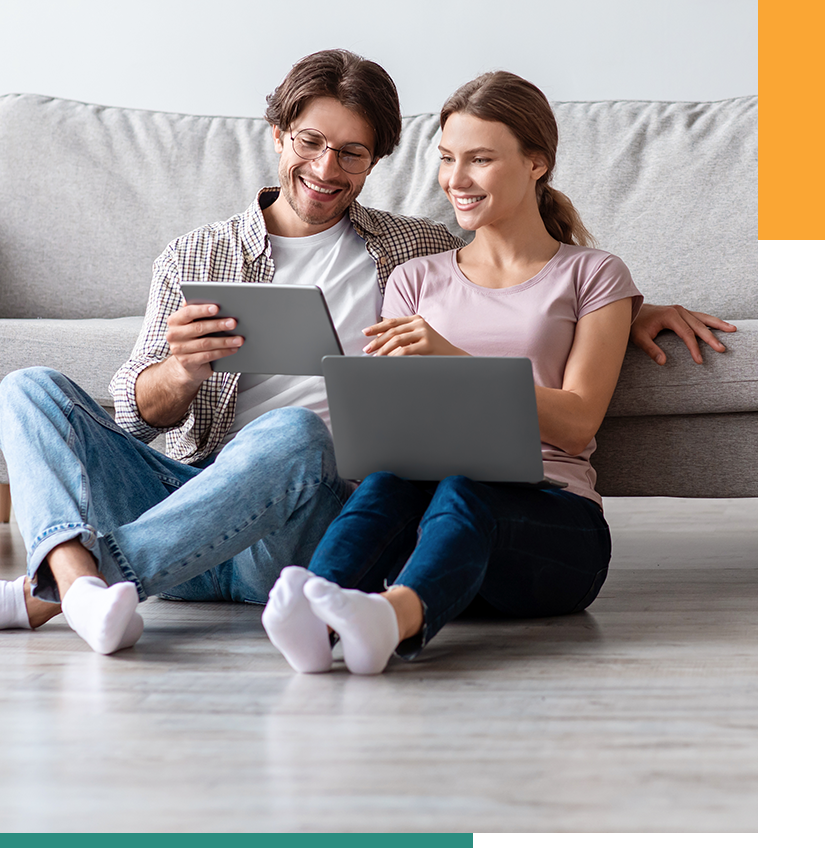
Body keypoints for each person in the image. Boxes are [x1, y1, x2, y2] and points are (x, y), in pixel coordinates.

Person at [0, 52, 734, 657]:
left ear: (375, 162)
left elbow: (522, 271)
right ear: (278, 134)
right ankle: (82, 586)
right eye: (311, 142)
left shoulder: (410, 251)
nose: (327, 167)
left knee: (293, 434)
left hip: (296, 519)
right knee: (28, 389)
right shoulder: (197, 257)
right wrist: (177, 375)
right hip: (192, 491)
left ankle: (47, 593)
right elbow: (128, 420)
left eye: (353, 152)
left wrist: (629, 307)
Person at [261, 70, 645, 675]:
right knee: (389, 479)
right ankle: (314, 612)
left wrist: (451, 358)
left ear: (536, 163)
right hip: (436, 537)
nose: (455, 181)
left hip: (552, 529)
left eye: (480, 160)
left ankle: (389, 618)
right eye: (445, 159)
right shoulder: (416, 278)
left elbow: (576, 423)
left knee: (468, 486)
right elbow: (390, 420)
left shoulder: (593, 275)